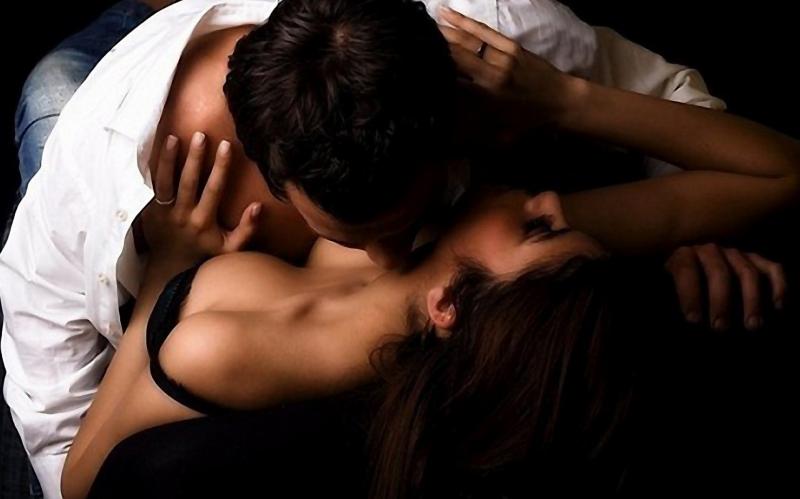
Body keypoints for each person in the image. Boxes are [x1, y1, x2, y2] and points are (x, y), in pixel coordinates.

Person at [3, 1, 764, 497]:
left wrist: (165, 276)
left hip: (97, 105)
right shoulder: (497, 43)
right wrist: (569, 103)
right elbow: (777, 171)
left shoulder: (217, 338)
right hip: (230, 54)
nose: (546, 202)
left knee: (50, 87)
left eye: (539, 228)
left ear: (448, 306)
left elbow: (72, 470)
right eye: (356, 228)